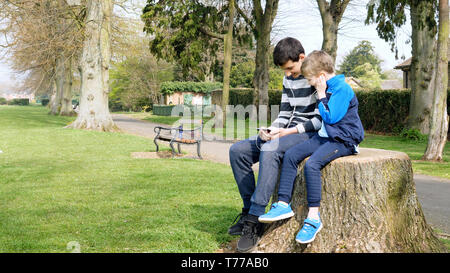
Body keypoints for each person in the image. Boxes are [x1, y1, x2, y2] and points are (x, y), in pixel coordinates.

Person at [257, 50, 364, 244]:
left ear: (321, 76)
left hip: (343, 140)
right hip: (326, 136)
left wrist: (321, 94)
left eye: (310, 79)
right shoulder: (327, 87)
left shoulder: (342, 88)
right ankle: (282, 204)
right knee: (290, 155)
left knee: (312, 165)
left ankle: (313, 218)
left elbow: (331, 117)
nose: (309, 83)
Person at [228, 37, 322, 253]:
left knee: (270, 149)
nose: (288, 74)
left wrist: (286, 132)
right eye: (284, 70)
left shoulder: (316, 76)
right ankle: (248, 210)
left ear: (302, 58)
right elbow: (286, 112)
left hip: (306, 134)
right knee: (237, 151)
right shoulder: (288, 78)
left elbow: (319, 121)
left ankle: (255, 221)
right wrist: (270, 129)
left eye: (290, 68)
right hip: (285, 131)